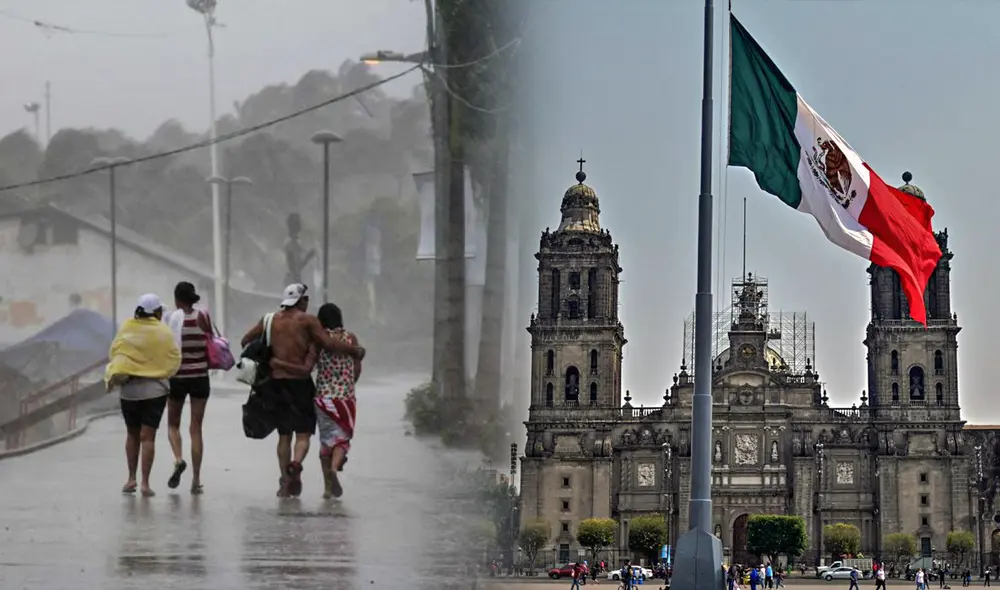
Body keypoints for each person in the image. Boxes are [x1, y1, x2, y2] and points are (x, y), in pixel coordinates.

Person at [241, 284, 365, 498]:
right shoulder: (308, 321)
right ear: (301, 301)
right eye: (306, 299)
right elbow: (328, 343)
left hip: (276, 383)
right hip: (300, 384)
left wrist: (269, 355)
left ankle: (284, 482)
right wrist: (354, 350)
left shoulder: (269, 319)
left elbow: (245, 341)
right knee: (303, 434)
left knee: (283, 436)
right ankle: (296, 465)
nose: (308, 303)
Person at [271, 303, 360, 499]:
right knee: (342, 439)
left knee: (326, 441)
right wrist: (348, 384)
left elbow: (307, 368)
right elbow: (357, 368)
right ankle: (334, 470)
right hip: (345, 398)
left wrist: (279, 364)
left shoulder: (317, 342)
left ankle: (328, 487)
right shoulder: (351, 338)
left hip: (322, 398)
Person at [105, 294, 181, 497]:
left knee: (132, 434)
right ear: (156, 312)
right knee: (148, 437)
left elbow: (114, 353)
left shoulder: (127, 328)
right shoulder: (163, 332)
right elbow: (174, 359)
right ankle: (146, 483)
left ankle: (131, 479)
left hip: (129, 392)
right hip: (154, 392)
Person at [164, 281, 213, 494]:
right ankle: (196, 479)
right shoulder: (203, 316)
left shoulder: (172, 319)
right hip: (200, 377)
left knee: (173, 425)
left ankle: (178, 459)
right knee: (196, 429)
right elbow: (210, 340)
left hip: (177, 378)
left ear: (177, 299)